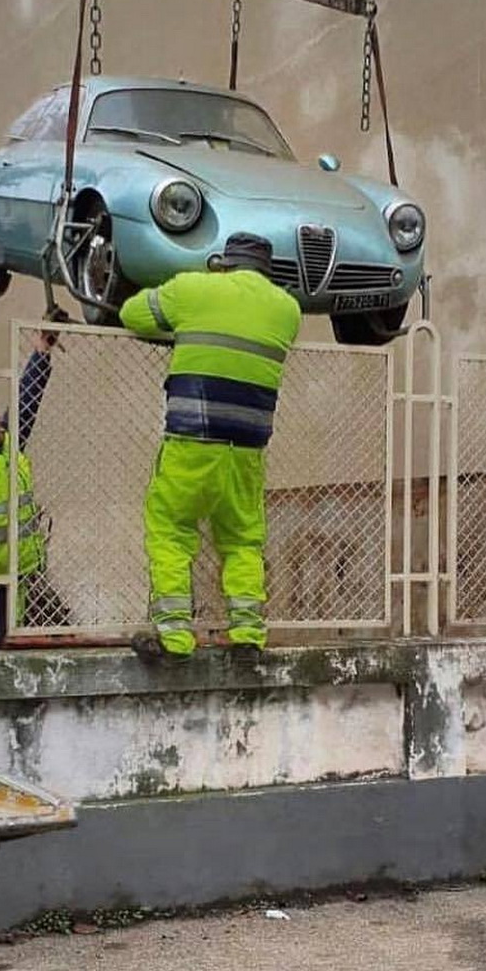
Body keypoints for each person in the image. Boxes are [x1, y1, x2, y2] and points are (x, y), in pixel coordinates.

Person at [119, 232, 301, 662]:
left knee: (170, 529)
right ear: (265, 270)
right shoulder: (287, 310)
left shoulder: (191, 289)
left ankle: (175, 637)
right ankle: (247, 636)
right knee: (242, 541)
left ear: (223, 263)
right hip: (247, 450)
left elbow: (131, 314)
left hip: (192, 440)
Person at [0, 326, 58, 649]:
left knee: (6, 650)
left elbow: (26, 403)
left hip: (16, 576)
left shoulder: (9, 447)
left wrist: (42, 352)